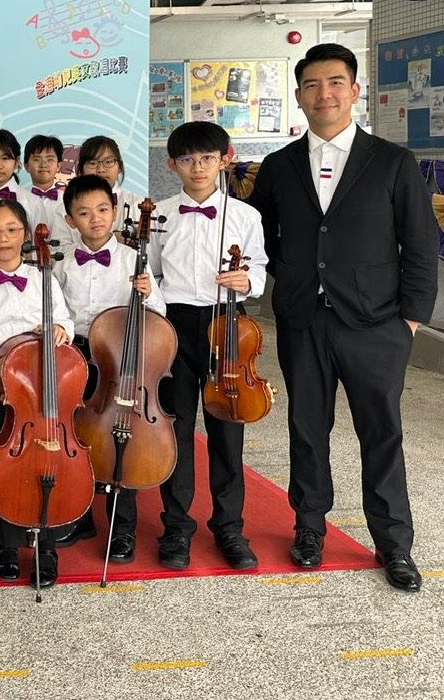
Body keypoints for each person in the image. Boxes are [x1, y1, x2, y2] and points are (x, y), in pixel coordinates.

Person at [247, 43, 437, 592]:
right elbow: (258, 235)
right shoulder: (279, 166)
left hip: (377, 324)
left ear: (354, 91)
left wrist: (410, 322)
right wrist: (285, 277)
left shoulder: (393, 162)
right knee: (307, 429)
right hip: (304, 319)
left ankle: (394, 543)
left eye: (335, 83)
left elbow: (420, 246)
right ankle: (309, 528)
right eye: (312, 85)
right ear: (299, 95)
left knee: (382, 433)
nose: (323, 94)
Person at [147, 121, 267, 572]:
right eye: (187, 159)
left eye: (206, 158)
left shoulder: (246, 216)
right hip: (175, 325)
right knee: (175, 429)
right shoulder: (160, 215)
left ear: (224, 160)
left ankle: (229, 526)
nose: (197, 168)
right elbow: (154, 275)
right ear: (171, 164)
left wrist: (246, 280)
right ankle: (176, 526)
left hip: (226, 323)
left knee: (227, 427)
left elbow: (259, 269)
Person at [0, 199, 76, 587]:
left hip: (40, 375)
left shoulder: (43, 278)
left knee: (45, 457)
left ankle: (46, 545)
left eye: (10, 230)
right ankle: (4, 543)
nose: (2, 238)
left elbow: (65, 320)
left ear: (25, 234)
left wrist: (61, 331)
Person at [54, 175, 165, 563]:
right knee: (77, 435)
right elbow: (56, 311)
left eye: (103, 209)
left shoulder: (133, 260)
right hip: (77, 355)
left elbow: (160, 314)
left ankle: (122, 527)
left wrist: (148, 295)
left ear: (115, 212)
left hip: (120, 360)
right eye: (84, 213)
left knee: (123, 437)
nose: (95, 218)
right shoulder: (62, 264)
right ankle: (79, 515)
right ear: (70, 221)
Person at [76, 135, 141, 228]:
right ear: (81, 169)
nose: (101, 169)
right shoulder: (67, 206)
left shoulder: (137, 204)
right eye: (93, 163)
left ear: (120, 167)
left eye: (108, 162)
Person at [23, 134, 68, 240]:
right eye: (36, 159)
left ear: (58, 166)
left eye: (50, 159)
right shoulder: (19, 200)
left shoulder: (68, 201)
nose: (43, 165)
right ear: (26, 166)